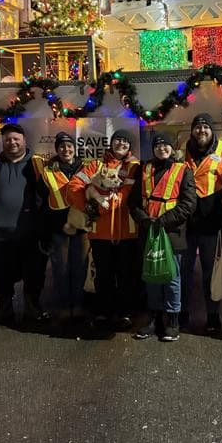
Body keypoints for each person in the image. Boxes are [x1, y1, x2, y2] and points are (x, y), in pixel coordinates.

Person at [65, 129, 141, 332]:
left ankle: (125, 313)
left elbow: (128, 193)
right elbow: (73, 187)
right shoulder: (95, 165)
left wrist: (109, 203)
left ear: (129, 146)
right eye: (118, 140)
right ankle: (104, 312)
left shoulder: (134, 166)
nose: (121, 144)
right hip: (100, 232)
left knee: (126, 275)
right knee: (103, 275)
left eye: (125, 141)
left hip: (127, 232)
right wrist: (90, 207)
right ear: (111, 143)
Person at [129, 132, 197, 342]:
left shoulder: (183, 170)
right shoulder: (144, 169)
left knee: (171, 278)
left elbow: (189, 203)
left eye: (165, 145)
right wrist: (144, 219)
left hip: (172, 233)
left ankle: (173, 321)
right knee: (151, 276)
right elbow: (133, 202)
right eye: (157, 146)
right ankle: (154, 319)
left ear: (171, 148)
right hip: (149, 232)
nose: (161, 149)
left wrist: (164, 221)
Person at [0, 123, 46, 325]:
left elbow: (45, 196)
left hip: (29, 232)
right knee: (2, 275)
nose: (12, 143)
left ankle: (32, 309)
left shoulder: (37, 165)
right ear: (3, 142)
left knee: (33, 274)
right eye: (8, 139)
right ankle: (4, 309)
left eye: (16, 139)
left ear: (24, 140)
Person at [180, 113, 222, 333]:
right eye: (197, 127)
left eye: (205, 127)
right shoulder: (182, 152)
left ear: (212, 131)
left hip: (212, 225)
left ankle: (213, 316)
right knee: (183, 273)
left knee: (210, 274)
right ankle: (182, 313)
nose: (201, 130)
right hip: (185, 225)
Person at [38, 132, 88, 326]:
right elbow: (41, 204)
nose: (66, 150)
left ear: (75, 148)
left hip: (82, 229)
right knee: (61, 270)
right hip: (59, 231)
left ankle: (79, 307)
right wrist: (44, 233)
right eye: (61, 147)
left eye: (69, 146)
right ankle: (64, 310)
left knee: (80, 269)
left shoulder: (86, 168)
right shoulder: (48, 171)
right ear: (56, 149)